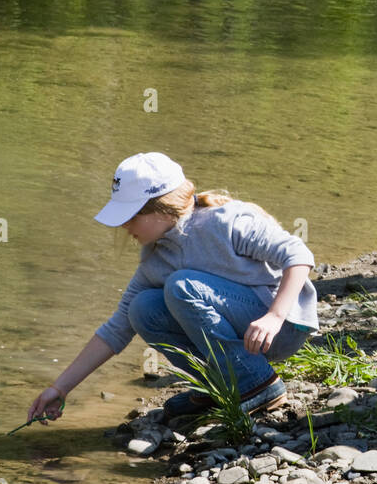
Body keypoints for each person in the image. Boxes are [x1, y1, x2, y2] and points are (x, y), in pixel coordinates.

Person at [26, 152, 317, 426]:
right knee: (142, 309)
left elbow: (299, 255)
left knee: (182, 287)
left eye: (130, 216)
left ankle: (257, 385)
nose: (125, 226)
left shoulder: (225, 222)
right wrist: (60, 388)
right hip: (248, 330)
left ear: (161, 209)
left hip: (282, 325)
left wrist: (275, 316)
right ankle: (217, 384)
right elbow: (116, 329)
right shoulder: (158, 258)